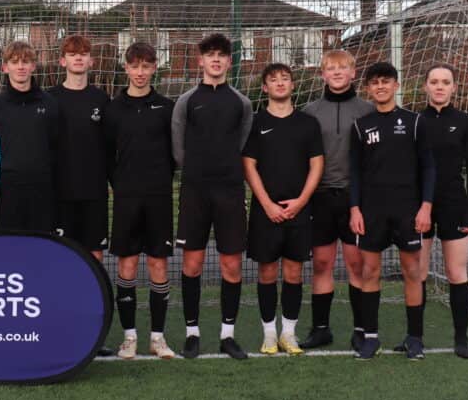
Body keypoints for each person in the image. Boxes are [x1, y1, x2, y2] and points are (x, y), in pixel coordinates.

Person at [171, 33, 253, 360]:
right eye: (210, 55)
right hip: (195, 191)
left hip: (231, 192)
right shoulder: (186, 100)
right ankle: (192, 333)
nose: (216, 60)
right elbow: (178, 148)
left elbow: (244, 143)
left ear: (229, 62)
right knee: (192, 264)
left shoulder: (242, 103)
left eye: (221, 55)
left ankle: (227, 335)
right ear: (201, 61)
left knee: (232, 265)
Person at [349, 61, 435, 360]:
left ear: (396, 85)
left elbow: (428, 167)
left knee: (412, 270)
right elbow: (355, 173)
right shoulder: (361, 126)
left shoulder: (414, 122)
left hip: (408, 211)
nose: (381, 86)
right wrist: (354, 209)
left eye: (386, 81)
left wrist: (426, 207)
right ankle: (371, 338)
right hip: (372, 212)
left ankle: (415, 339)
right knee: (369, 270)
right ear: (368, 88)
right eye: (375, 82)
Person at [242, 63, 324, 355]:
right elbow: (248, 165)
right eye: (273, 80)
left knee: (293, 273)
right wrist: (266, 204)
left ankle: (289, 334)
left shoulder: (307, 123)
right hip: (266, 211)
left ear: (293, 86)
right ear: (265, 87)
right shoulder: (253, 122)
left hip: (298, 211)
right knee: (266, 273)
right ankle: (268, 335)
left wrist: (301, 202)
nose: (279, 83)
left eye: (285, 79)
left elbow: (317, 165)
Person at [104, 42, 177, 360]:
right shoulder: (113, 108)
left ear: (154, 68)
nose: (140, 72)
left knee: (159, 263)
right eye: (135, 66)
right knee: (128, 263)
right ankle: (130, 337)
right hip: (126, 198)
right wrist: (119, 184)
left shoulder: (167, 107)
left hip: (159, 196)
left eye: (146, 66)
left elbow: (176, 153)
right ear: (126, 68)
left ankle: (158, 338)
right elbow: (106, 154)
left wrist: (161, 179)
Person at [300, 49, 375, 351]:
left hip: (356, 199)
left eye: (343, 67)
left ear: (353, 72)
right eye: (331, 68)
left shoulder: (368, 111)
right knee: (321, 263)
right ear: (323, 74)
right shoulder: (309, 111)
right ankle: (321, 329)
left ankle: (360, 329)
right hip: (320, 198)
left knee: (357, 263)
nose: (337, 72)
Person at [418, 63, 468, 359]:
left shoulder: (465, 122)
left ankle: (461, 339)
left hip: (455, 206)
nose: (439, 86)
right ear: (425, 87)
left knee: (456, 273)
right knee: (417, 273)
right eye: (434, 81)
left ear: (454, 88)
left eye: (445, 82)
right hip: (421, 208)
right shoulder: (414, 121)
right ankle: (414, 337)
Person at [48, 34, 110, 260]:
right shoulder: (50, 99)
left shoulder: (101, 99)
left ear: (91, 61)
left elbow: (109, 144)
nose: (78, 59)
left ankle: (96, 296)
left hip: (93, 191)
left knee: (94, 254)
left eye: (83, 55)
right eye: (72, 55)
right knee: (61, 252)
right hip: (60, 191)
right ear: (63, 61)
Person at [0, 41, 58, 232]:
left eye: (26, 62)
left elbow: (57, 146)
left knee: (41, 246)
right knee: (9, 247)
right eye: (15, 61)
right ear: (4, 67)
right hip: (7, 188)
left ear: (33, 66)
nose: (20, 67)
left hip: (42, 188)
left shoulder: (50, 104)